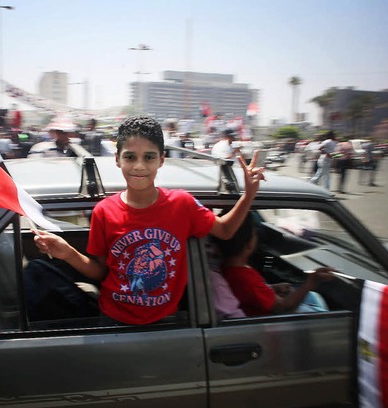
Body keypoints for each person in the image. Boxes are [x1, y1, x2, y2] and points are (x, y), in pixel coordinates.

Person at [33, 115, 266, 325]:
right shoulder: (104, 211)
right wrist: (68, 253)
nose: (139, 166)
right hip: (113, 320)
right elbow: (101, 273)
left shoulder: (182, 204)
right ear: (118, 159)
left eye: (149, 157)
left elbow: (225, 231)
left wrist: (249, 194)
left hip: (166, 323)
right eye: (130, 157)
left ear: (161, 160)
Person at [213, 213, 332, 316]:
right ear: (248, 244)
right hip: (272, 322)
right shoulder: (245, 277)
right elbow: (284, 308)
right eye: (254, 234)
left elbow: (252, 294)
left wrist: (271, 288)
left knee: (312, 297)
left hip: (262, 310)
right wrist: (311, 281)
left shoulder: (225, 269)